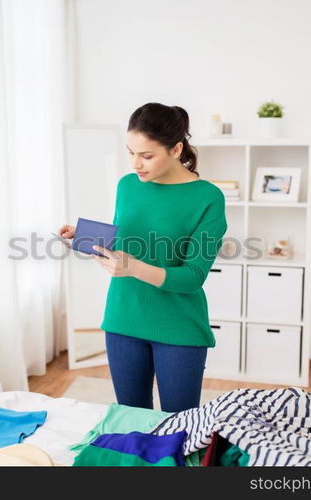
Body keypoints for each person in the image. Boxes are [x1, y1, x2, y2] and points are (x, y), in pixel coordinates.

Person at [58, 102, 228, 413]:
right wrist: (83, 236)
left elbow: (192, 277)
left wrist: (134, 268)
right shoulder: (127, 186)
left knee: (179, 426)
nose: (136, 164)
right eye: (131, 152)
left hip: (178, 326)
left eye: (146, 156)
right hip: (123, 319)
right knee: (131, 417)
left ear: (176, 149)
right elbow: (126, 240)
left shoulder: (208, 198)